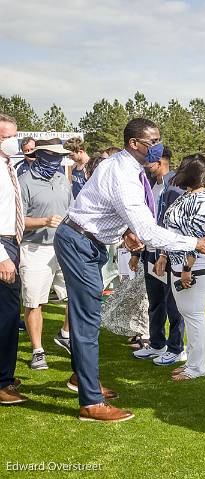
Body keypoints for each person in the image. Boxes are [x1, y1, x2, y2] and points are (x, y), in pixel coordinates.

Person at [53, 118, 205, 422]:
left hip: (87, 239)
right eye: (152, 141)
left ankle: (83, 379)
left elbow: (105, 207)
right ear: (134, 143)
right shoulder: (124, 174)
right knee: (87, 318)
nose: (157, 147)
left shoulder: (123, 165)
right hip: (80, 242)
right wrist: (197, 244)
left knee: (88, 318)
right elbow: (148, 231)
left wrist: (124, 232)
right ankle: (90, 403)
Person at [162, 154, 205, 381]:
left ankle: (197, 367)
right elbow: (172, 230)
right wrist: (165, 256)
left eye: (183, 168)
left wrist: (187, 267)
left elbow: (200, 239)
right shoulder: (186, 195)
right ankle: (192, 362)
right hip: (179, 261)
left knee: (194, 315)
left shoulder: (204, 200)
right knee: (188, 313)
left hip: (196, 265)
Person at [18, 139, 73, 369]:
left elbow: (70, 210)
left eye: (60, 156)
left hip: (62, 246)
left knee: (75, 296)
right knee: (34, 301)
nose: (57, 160)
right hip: (33, 248)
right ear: (40, 155)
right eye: (53, 155)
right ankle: (37, 350)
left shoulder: (62, 179)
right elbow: (17, 220)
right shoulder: (24, 182)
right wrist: (45, 221)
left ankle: (65, 334)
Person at [133, 145, 187, 365]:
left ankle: (176, 348)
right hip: (150, 252)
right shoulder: (150, 185)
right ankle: (156, 344)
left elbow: (175, 225)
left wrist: (165, 252)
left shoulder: (176, 186)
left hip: (169, 254)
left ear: (161, 161)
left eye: (149, 161)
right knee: (155, 302)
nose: (145, 165)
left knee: (173, 304)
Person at [0, 114, 27, 405]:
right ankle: (2, 382)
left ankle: (4, 373)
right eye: (6, 137)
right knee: (6, 316)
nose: (12, 141)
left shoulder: (7, 165)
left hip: (10, 240)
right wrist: (2, 256)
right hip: (2, 243)